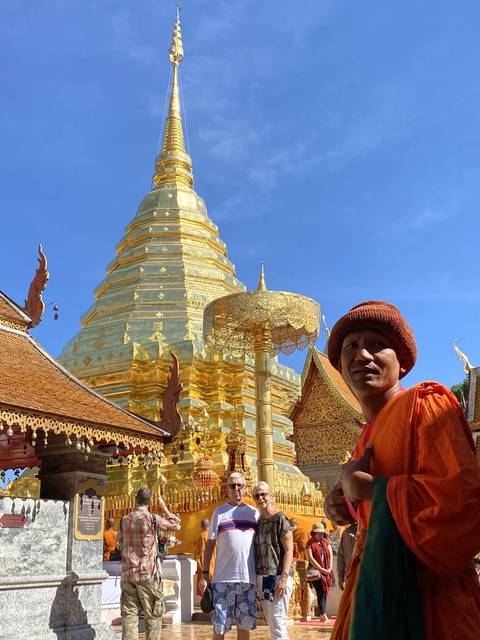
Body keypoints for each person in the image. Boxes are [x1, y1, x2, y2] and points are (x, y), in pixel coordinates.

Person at [324, 300, 480, 639]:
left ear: (403, 363)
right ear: (338, 364)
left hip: (430, 607)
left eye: (377, 345)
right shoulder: (366, 434)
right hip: (370, 595)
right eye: (352, 346)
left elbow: (462, 502)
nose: (362, 355)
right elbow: (375, 508)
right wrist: (345, 506)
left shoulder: (426, 404)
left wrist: (371, 489)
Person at [199, 472, 258, 640]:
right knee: (220, 626)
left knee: (244, 625)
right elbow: (209, 545)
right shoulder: (219, 513)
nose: (236, 489)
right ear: (227, 489)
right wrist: (204, 575)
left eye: (240, 485)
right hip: (222, 579)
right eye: (232, 485)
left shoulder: (254, 514)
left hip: (248, 578)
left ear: (246, 488)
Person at [117, 487, 180, 640]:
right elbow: (176, 525)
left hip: (128, 574)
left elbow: (119, 543)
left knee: (129, 616)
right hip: (147, 574)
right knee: (153, 615)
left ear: (135, 499)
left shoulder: (125, 520)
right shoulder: (152, 518)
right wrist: (164, 506)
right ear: (150, 502)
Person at [253, 481, 293, 640]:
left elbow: (289, 550)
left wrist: (284, 577)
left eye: (263, 494)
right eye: (256, 495)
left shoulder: (280, 518)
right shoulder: (259, 521)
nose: (260, 498)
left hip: (277, 577)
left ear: (271, 496)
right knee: (273, 621)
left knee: (278, 620)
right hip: (264, 578)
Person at [305, 522, 333, 623]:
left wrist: (329, 568)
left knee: (325, 592)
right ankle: (323, 614)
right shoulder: (309, 544)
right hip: (316, 572)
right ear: (314, 533)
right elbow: (311, 559)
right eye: (318, 533)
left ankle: (322, 614)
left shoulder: (325, 542)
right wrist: (321, 569)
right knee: (320, 592)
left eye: (321, 533)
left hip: (326, 571)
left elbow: (330, 554)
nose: (320, 535)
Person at [194, 518, 215, 596]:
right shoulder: (214, 534)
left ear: (201, 526)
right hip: (215, 565)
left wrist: (201, 568)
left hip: (206, 567)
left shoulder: (202, 536)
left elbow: (202, 552)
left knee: (206, 591)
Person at [336, 523, 358, 590]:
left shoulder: (346, 533)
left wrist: (341, 579)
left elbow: (340, 558)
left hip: (351, 578)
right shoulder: (346, 533)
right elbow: (341, 558)